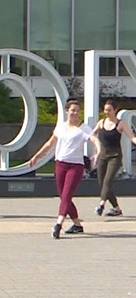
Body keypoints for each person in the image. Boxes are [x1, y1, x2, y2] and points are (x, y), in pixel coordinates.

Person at [30, 99, 101, 239]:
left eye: (77, 110)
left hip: (75, 166)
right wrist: (36, 157)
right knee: (63, 197)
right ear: (67, 111)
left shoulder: (83, 128)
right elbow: (50, 143)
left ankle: (58, 224)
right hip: (60, 164)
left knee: (67, 195)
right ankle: (77, 224)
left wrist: (98, 152)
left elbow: (94, 139)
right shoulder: (61, 127)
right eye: (72, 110)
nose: (74, 113)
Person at [92, 99, 136, 217]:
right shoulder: (101, 123)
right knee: (102, 183)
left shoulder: (121, 124)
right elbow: (91, 134)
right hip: (103, 156)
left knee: (108, 181)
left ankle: (101, 204)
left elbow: (132, 137)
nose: (107, 112)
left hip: (115, 156)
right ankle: (116, 208)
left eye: (109, 110)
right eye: (105, 110)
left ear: (115, 110)